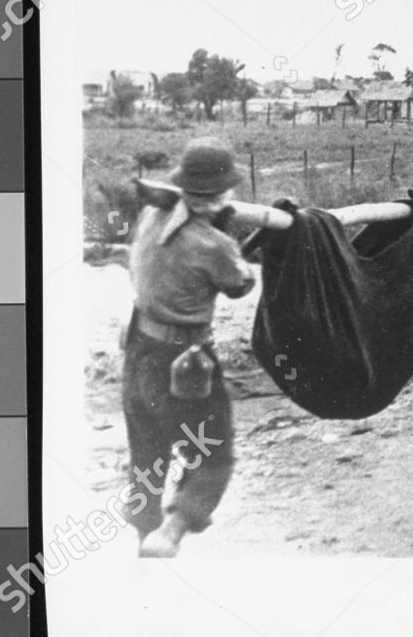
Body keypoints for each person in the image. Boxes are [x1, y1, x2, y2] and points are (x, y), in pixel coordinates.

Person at [122, 137, 256, 557]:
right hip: (183, 363)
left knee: (147, 455)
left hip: (138, 352)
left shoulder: (148, 215)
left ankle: (144, 538)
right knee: (214, 454)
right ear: (222, 192)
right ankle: (172, 531)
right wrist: (223, 233)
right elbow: (240, 283)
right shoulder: (213, 244)